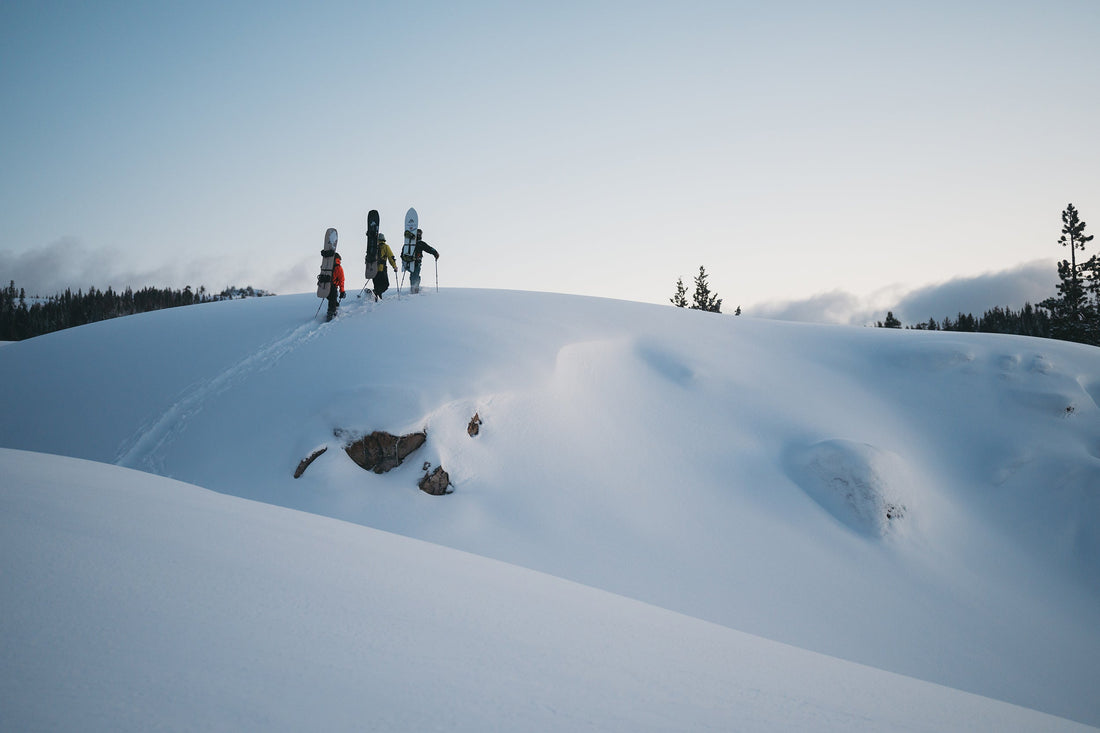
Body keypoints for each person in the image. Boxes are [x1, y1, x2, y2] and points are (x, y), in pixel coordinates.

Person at [408, 228, 439, 294]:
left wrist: (435, 253)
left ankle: (415, 288)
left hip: (415, 262)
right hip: (411, 262)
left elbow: (428, 248)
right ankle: (414, 288)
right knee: (413, 275)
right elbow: (404, 251)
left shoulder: (419, 243)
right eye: (418, 233)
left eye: (420, 234)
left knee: (415, 275)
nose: (419, 235)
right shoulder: (413, 243)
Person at [372, 233, 399, 300]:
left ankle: (377, 300)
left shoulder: (373, 247)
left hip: (373, 270)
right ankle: (375, 293)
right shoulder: (385, 246)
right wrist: (394, 266)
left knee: (377, 286)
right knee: (385, 285)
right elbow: (391, 257)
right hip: (381, 270)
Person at [326, 253, 346, 320]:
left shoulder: (327, 265)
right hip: (333, 286)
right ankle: (331, 312)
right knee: (333, 297)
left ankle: (332, 308)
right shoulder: (339, 268)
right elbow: (341, 280)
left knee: (331, 298)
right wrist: (342, 291)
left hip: (325, 285)